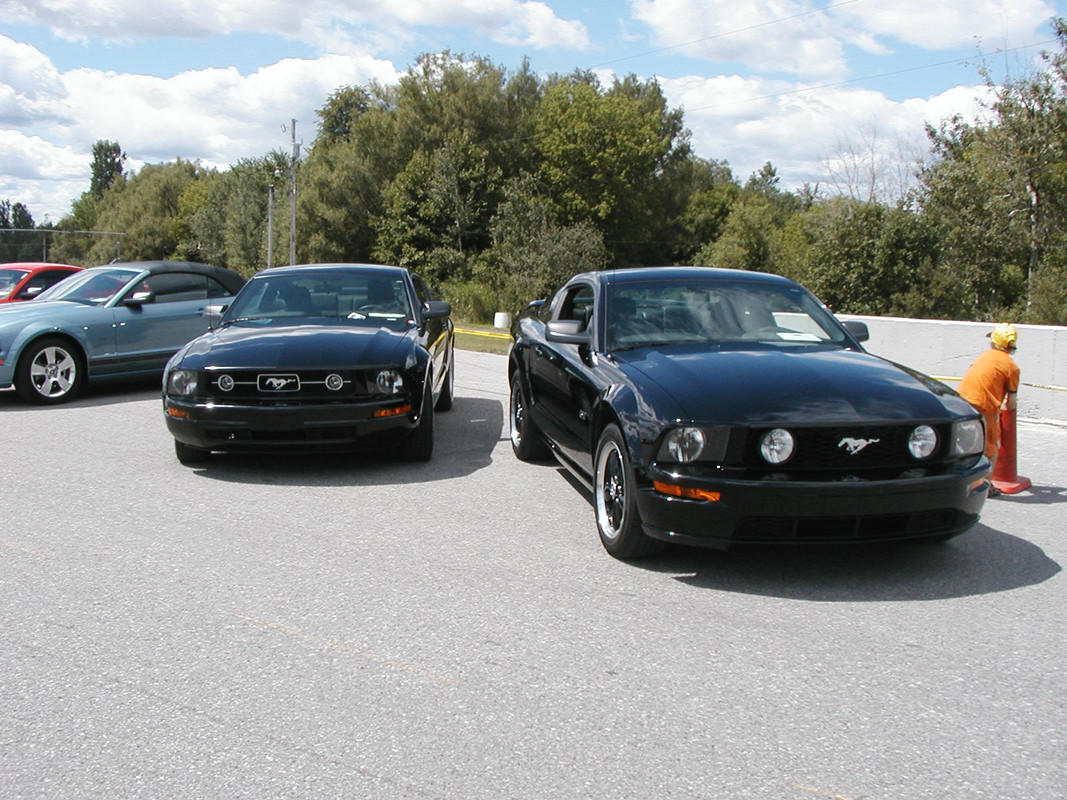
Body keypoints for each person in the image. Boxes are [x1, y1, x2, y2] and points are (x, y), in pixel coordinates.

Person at [957, 322, 1020, 495]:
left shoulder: (983, 357)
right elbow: (1011, 402)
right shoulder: (1011, 367)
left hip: (962, 401)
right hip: (985, 406)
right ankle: (986, 486)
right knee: (992, 445)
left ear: (993, 342)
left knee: (966, 441)